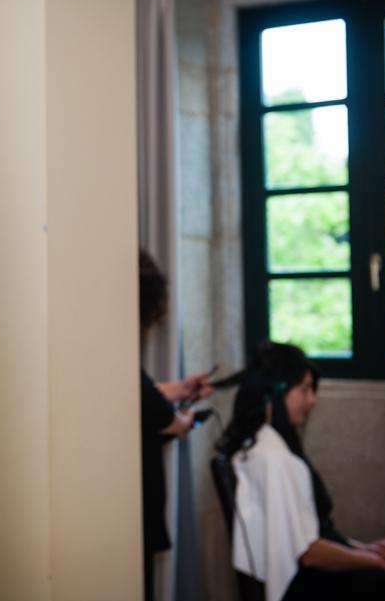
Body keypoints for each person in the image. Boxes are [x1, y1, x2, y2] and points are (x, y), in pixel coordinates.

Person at [217, 342, 385, 601]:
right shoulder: (272, 459)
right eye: (304, 389)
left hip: (317, 578)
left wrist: (365, 549)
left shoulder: (263, 448)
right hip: (313, 586)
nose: (312, 400)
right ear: (275, 393)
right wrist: (372, 560)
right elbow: (310, 553)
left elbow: (309, 534)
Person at [138, 250, 212, 601]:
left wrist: (180, 389)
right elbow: (164, 418)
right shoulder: (115, 354)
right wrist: (186, 420)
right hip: (136, 500)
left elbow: (140, 394)